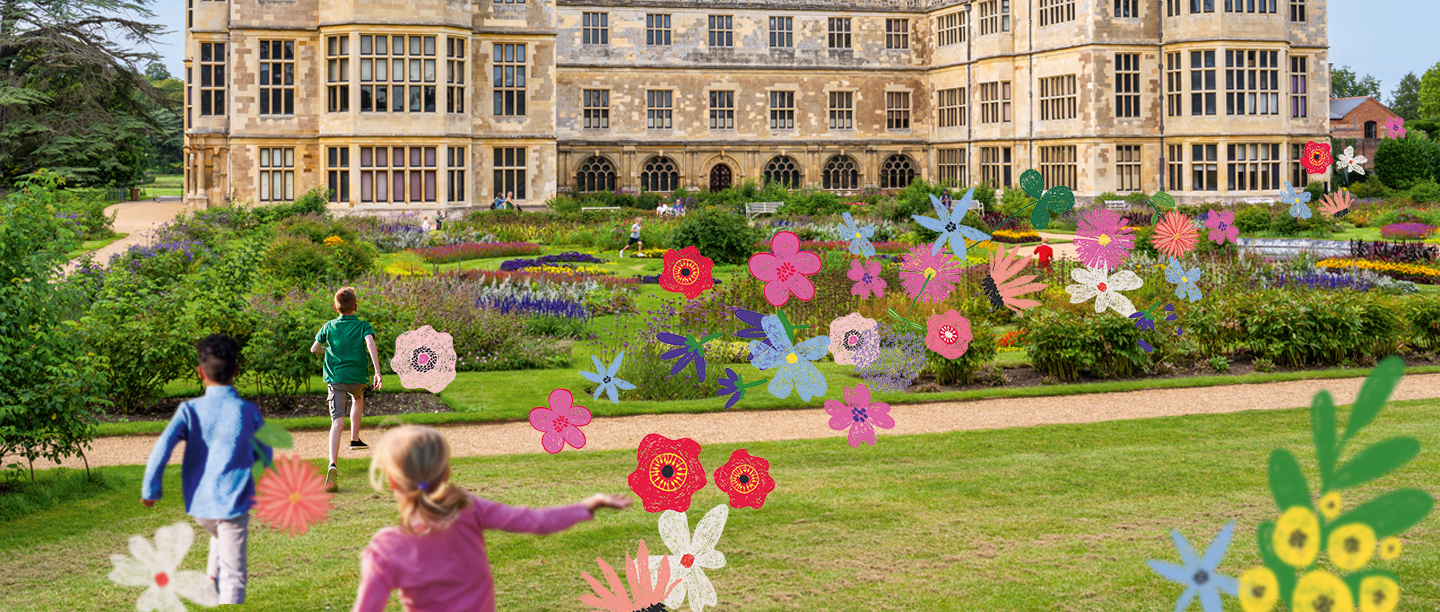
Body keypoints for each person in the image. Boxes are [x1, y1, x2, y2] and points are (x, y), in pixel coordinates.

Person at [351, 426, 631, 612]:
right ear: (446, 473)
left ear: (391, 481)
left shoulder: (385, 548)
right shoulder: (469, 510)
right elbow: (536, 521)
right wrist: (587, 505)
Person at [142, 334, 271, 605]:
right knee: (235, 575)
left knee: (218, 534)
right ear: (236, 371)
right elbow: (265, 453)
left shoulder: (189, 409)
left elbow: (162, 448)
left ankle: (211, 581)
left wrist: (151, 489)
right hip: (233, 500)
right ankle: (228, 599)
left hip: (200, 504)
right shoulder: (247, 411)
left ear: (200, 372)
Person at [310, 286, 383, 491]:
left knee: (336, 421)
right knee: (358, 398)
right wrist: (377, 371)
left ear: (336, 307)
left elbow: (314, 348)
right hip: (357, 378)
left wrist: (329, 351)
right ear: (355, 307)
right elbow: (370, 343)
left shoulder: (329, 326)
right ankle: (355, 438)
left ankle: (332, 464)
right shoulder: (363, 326)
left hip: (335, 379)